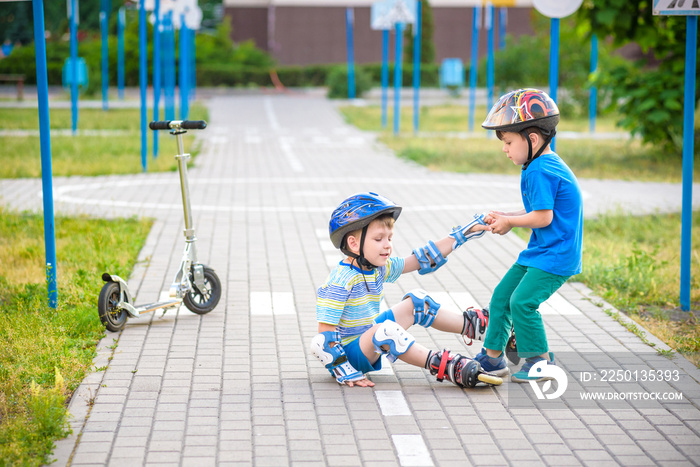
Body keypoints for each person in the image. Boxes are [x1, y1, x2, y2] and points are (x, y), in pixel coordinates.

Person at [310, 192, 502, 388]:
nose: (387, 245)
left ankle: (483, 328)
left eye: (389, 238)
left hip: (367, 336)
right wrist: (345, 371)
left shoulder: (376, 268)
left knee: (417, 304)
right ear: (353, 243)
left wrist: (464, 233)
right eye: (378, 239)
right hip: (350, 357)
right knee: (386, 330)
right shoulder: (339, 282)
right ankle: (449, 366)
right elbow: (324, 339)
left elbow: (420, 260)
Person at [474, 88, 583, 383]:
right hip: (541, 252)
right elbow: (539, 210)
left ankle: (540, 362)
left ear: (532, 139)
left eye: (508, 141)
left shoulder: (539, 170)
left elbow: (544, 217)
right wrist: (506, 215)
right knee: (501, 298)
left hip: (555, 256)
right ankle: (492, 357)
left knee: (522, 302)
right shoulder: (542, 164)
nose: (505, 149)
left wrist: (509, 222)